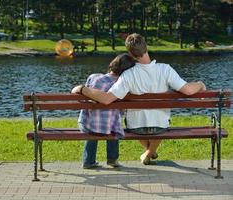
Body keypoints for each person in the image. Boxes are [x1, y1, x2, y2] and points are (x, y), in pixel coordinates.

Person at [72, 33, 206, 165]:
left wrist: (82, 89)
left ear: (130, 54)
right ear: (146, 47)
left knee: (142, 121)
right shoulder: (166, 69)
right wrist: (200, 84)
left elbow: (107, 99)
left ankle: (148, 152)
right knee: (160, 120)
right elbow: (188, 90)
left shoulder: (128, 74)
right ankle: (149, 152)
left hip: (136, 128)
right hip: (161, 127)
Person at [74, 53, 135, 169]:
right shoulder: (122, 84)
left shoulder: (93, 77)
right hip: (110, 127)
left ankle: (88, 161)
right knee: (113, 123)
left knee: (93, 123)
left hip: (87, 124)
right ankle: (112, 160)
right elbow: (122, 108)